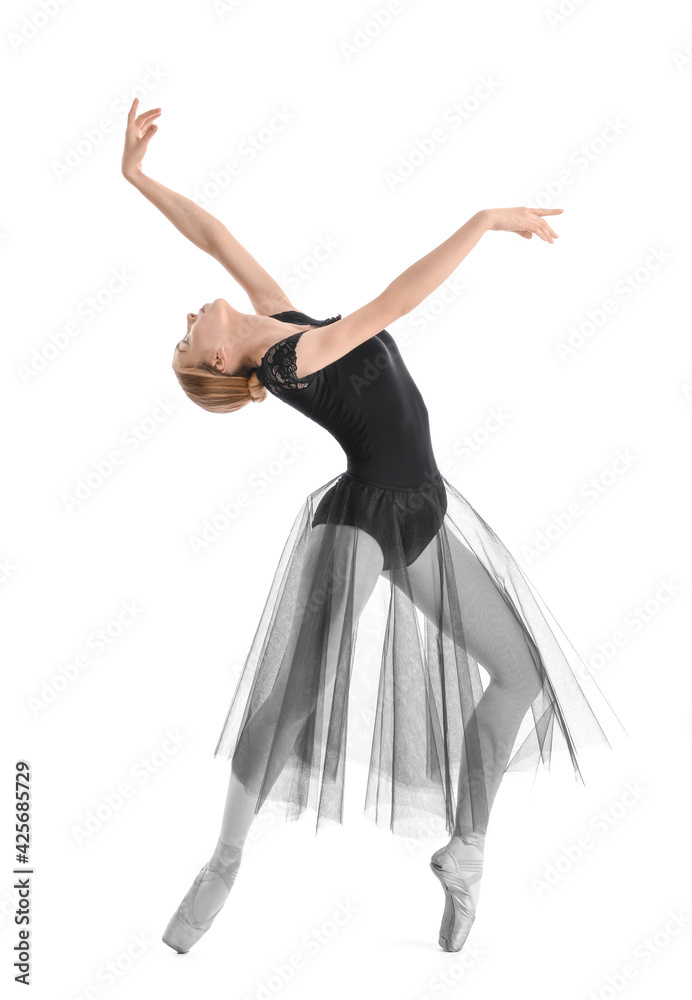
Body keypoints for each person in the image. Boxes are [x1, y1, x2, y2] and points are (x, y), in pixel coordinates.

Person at [121, 99, 626, 955]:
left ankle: (465, 852)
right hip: (360, 520)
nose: (188, 319)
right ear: (218, 359)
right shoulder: (288, 359)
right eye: (186, 338)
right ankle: (226, 856)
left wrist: (138, 176)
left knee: (519, 673)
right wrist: (484, 220)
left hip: (421, 506)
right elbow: (393, 302)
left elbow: (212, 235)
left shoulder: (276, 317)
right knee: (301, 687)